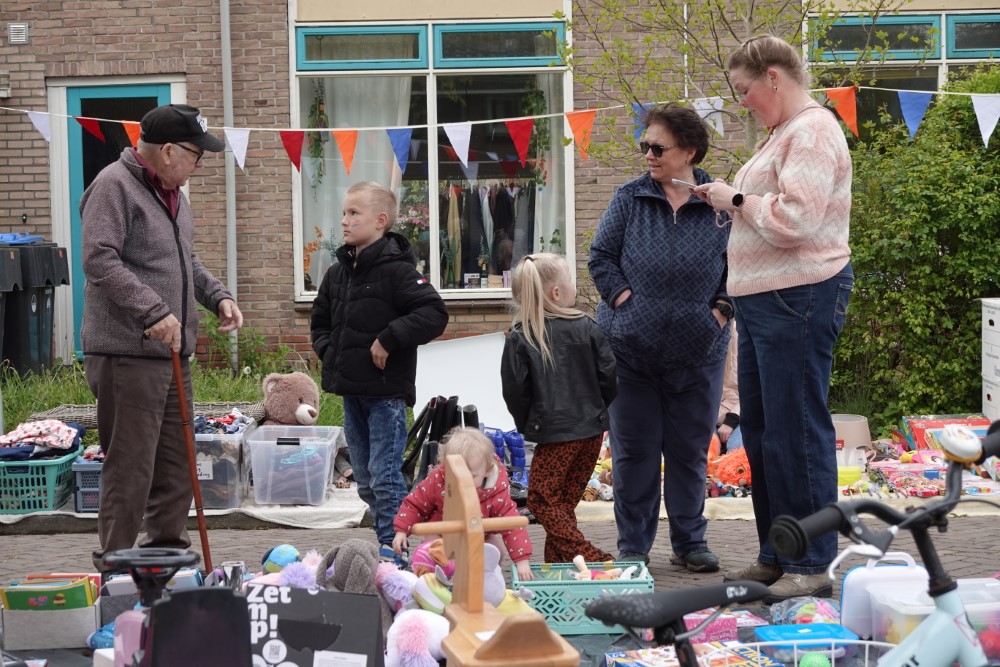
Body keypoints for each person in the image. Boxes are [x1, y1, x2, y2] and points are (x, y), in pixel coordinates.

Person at [692, 34, 854, 601]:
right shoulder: (784, 134)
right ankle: (777, 554)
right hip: (770, 300)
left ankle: (812, 560)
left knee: (797, 431)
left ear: (774, 79)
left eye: (744, 90)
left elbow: (796, 221)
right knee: (762, 433)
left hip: (800, 295)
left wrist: (733, 199)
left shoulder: (810, 130)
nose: (741, 101)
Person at [80, 103, 243, 571]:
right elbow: (99, 259)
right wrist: (153, 311)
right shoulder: (114, 186)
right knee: (131, 469)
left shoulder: (174, 194)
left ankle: (166, 563)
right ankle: (116, 570)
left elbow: (183, 260)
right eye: (196, 155)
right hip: (127, 354)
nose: (199, 165)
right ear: (168, 150)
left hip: (171, 353)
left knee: (177, 465)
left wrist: (217, 296)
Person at [589, 105, 732, 573]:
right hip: (629, 353)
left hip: (699, 353)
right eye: (644, 146)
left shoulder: (719, 206)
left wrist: (719, 312)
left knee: (690, 451)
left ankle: (690, 543)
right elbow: (601, 258)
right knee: (635, 452)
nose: (647, 154)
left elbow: (742, 266)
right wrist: (625, 303)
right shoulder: (630, 198)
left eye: (657, 147)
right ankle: (634, 545)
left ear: (688, 151)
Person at [311, 181, 449, 563]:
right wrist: (329, 352)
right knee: (367, 480)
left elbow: (434, 314)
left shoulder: (399, 273)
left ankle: (396, 552)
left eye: (354, 213)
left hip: (386, 395)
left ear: (381, 221)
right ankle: (395, 540)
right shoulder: (338, 273)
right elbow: (319, 321)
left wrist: (388, 339)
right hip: (352, 392)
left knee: (385, 477)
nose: (344, 220)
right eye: (344, 212)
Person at [500, 253, 618, 564]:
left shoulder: (521, 337)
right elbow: (609, 377)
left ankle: (587, 554)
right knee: (562, 504)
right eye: (571, 282)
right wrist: (595, 410)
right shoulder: (587, 327)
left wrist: (530, 425)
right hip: (591, 431)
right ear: (556, 292)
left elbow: (515, 392)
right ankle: (560, 567)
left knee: (540, 499)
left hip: (555, 434)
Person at [391, 427, 535, 581]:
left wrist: (522, 562)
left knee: (496, 551)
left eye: (471, 476)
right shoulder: (438, 480)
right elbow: (415, 504)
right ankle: (431, 584)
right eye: (454, 475)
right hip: (442, 532)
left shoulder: (496, 490)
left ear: (487, 470)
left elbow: (512, 525)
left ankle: (487, 583)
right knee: (430, 550)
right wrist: (402, 531)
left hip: (480, 535)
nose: (461, 482)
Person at [717, 322, 742, 453]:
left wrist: (732, 420)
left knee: (737, 451)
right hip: (706, 418)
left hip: (741, 417)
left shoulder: (743, 335)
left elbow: (757, 388)